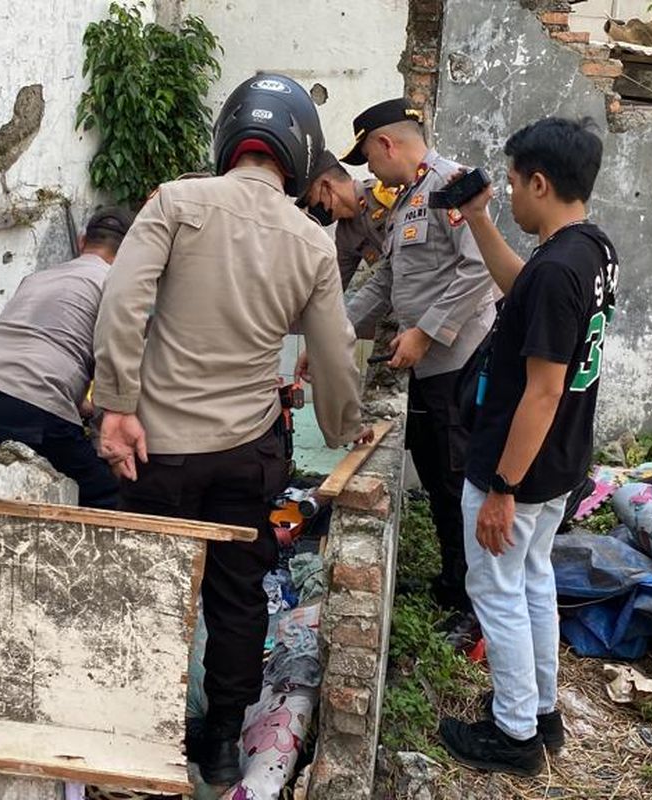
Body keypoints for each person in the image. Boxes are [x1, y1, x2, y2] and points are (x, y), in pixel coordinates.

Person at [91, 73, 370, 787]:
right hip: (249, 453)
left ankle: (139, 735)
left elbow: (123, 300)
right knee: (238, 596)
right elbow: (335, 350)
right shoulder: (309, 241)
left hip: (159, 451)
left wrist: (117, 404)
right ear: (300, 157)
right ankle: (220, 742)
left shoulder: (176, 202)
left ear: (229, 139)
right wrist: (343, 428)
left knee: (153, 585)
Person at [437, 117, 618, 776]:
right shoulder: (589, 251)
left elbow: (540, 392)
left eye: (513, 184)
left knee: (496, 589)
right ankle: (542, 712)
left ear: (539, 182)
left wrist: (501, 489)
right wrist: (481, 219)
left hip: (522, 464)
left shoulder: (558, 270)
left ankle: (514, 734)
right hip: (561, 460)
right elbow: (524, 292)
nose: (510, 195)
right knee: (532, 579)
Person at [302, 98, 497, 614]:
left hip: (461, 360)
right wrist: (330, 332)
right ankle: (453, 582)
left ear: (387, 143)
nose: (368, 170)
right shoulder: (411, 196)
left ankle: (473, 603)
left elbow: (478, 270)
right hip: (432, 366)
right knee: (436, 475)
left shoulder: (454, 184)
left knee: (457, 482)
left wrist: (426, 334)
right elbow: (387, 280)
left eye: (368, 156)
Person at [0, 207, 134, 509]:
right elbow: (112, 370)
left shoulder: (36, 277)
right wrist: (108, 446)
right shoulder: (115, 285)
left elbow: (39, 350)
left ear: (82, 242)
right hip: (34, 407)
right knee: (104, 498)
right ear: (129, 256)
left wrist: (77, 404)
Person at [298, 149, 397, 289]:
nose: (311, 208)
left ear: (326, 186)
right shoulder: (345, 236)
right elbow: (335, 286)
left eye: (310, 199)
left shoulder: (384, 194)